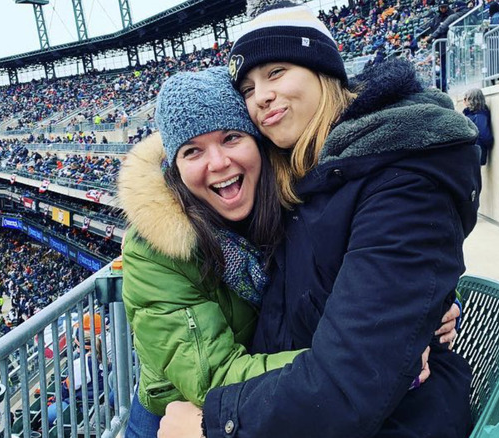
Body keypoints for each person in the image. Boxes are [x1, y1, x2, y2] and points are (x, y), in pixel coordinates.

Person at [159, 1, 480, 438]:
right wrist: (428, 305)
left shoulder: (401, 178)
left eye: (276, 73)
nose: (261, 97)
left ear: (323, 70)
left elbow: (351, 381)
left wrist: (215, 425)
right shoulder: (304, 174)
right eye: (248, 89)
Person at [117, 68, 443, 438]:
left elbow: (377, 252)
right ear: (175, 169)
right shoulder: (154, 249)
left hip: (264, 405)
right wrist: (366, 360)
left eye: (231, 138)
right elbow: (213, 377)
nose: (218, 163)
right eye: (193, 151)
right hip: (178, 415)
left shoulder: (291, 199)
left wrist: (422, 303)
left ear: (258, 144)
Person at [463, 88, 494, 165]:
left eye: (465, 98)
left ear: (471, 100)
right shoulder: (470, 114)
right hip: (470, 152)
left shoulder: (479, 116)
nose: (463, 101)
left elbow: (485, 136)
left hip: (475, 152)